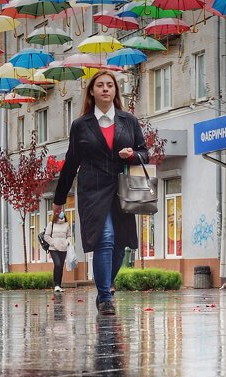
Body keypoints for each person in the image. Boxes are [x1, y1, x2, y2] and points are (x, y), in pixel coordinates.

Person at [52, 70, 149, 316]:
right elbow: (71, 162)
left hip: (122, 188)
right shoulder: (80, 125)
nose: (106, 89)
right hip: (92, 191)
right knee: (105, 239)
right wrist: (59, 199)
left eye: (110, 85)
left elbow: (144, 153)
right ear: (92, 92)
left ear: (115, 91)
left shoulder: (129, 121)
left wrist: (133, 155)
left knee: (120, 245)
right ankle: (105, 297)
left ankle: (105, 286)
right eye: (100, 85)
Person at [43, 211, 72, 292]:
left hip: (63, 248)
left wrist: (67, 242)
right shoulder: (51, 224)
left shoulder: (66, 224)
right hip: (53, 248)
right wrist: (54, 243)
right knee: (57, 264)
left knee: (61, 266)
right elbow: (46, 236)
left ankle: (59, 285)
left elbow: (69, 235)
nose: (61, 215)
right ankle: (56, 284)